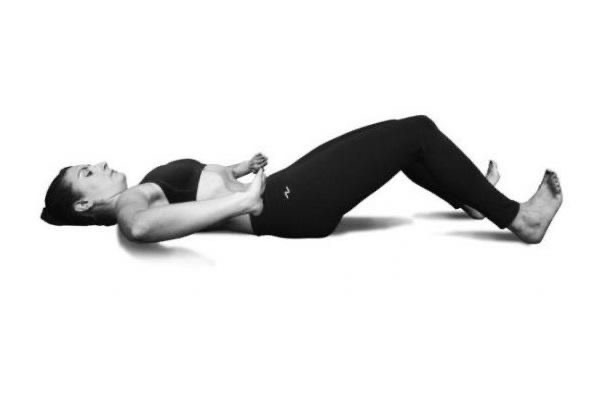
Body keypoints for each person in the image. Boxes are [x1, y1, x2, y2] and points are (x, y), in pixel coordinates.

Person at [40, 115, 563, 244]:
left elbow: (199, 184)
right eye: (88, 173)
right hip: (287, 205)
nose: (99, 165)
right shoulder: (131, 202)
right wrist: (240, 202)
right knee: (415, 132)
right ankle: (521, 219)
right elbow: (139, 228)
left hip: (284, 190)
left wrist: (236, 170)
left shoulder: (148, 186)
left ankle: (473, 197)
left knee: (404, 144)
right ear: (84, 205)